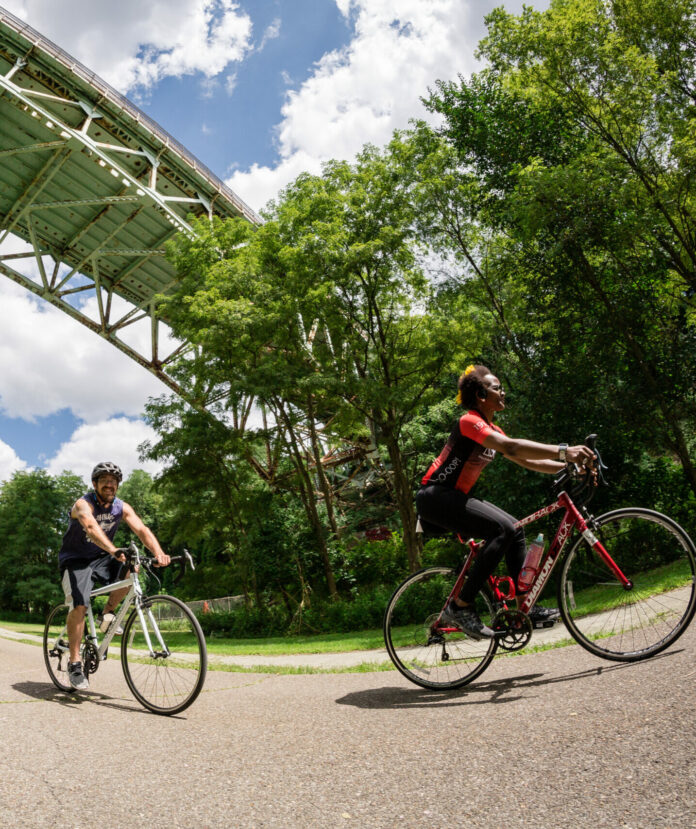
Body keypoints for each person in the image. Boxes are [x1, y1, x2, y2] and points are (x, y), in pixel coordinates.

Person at [416, 365, 595, 640]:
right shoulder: (469, 422)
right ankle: (460, 606)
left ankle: (526, 606)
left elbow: (526, 459)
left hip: (454, 498)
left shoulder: (491, 429)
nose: (503, 391)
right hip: (435, 497)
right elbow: (512, 447)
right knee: (503, 530)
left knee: (515, 527)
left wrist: (567, 467)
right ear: (480, 394)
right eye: (497, 387)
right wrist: (565, 452)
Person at [58, 461, 170, 691]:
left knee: (132, 568)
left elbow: (141, 529)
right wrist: (113, 549)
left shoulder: (121, 507)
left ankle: (106, 614)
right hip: (75, 560)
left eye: (113, 481)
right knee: (80, 604)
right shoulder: (83, 503)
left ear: (117, 485)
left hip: (101, 556)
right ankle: (75, 662)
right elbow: (90, 526)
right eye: (104, 481)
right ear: (95, 484)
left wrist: (158, 552)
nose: (109, 485)